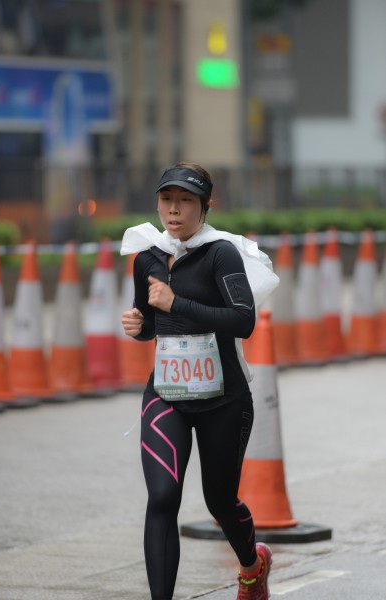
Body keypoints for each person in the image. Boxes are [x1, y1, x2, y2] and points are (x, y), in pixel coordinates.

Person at [121, 162, 279, 600]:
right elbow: (153, 322)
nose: (174, 210)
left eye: (185, 201)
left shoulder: (220, 253)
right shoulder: (147, 256)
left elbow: (243, 321)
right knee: (162, 497)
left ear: (205, 207)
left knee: (220, 501)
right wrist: (140, 327)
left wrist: (177, 301)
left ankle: (252, 567)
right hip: (166, 395)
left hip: (223, 400)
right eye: (166, 199)